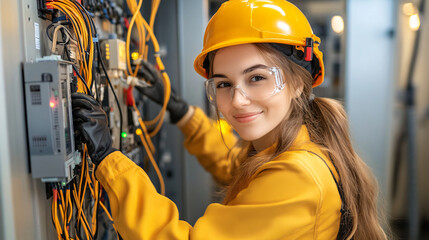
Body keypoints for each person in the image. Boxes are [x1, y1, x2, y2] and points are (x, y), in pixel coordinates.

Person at [72, 0, 388, 239]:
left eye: (258, 78)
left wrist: (109, 160)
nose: (237, 100)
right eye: (223, 84)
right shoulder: (292, 148)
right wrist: (180, 111)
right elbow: (234, 166)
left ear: (298, 84)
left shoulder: (299, 177)